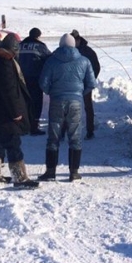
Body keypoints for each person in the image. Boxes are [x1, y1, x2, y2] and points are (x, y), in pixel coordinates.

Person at [0, 33, 39, 188]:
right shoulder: (4, 62)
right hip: (4, 112)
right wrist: (16, 112)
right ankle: (20, 178)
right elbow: (9, 90)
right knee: (13, 143)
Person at [38, 33, 97, 181]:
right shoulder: (84, 61)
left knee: (53, 137)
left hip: (57, 101)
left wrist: (52, 92)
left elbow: (43, 83)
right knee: (75, 136)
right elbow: (91, 83)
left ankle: (51, 171)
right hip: (75, 101)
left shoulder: (51, 61)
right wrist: (78, 93)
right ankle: (74, 172)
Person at [18, 27, 51, 136]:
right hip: (36, 78)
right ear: (38, 36)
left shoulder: (20, 45)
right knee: (36, 102)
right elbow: (48, 59)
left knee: (24, 102)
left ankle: (24, 126)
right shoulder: (40, 46)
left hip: (21, 79)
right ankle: (34, 126)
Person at [70, 29, 100, 139]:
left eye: (74, 41)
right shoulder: (68, 50)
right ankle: (66, 131)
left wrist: (91, 79)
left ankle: (90, 130)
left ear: (78, 40)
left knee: (88, 107)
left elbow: (96, 67)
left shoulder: (88, 51)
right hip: (72, 84)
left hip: (85, 83)